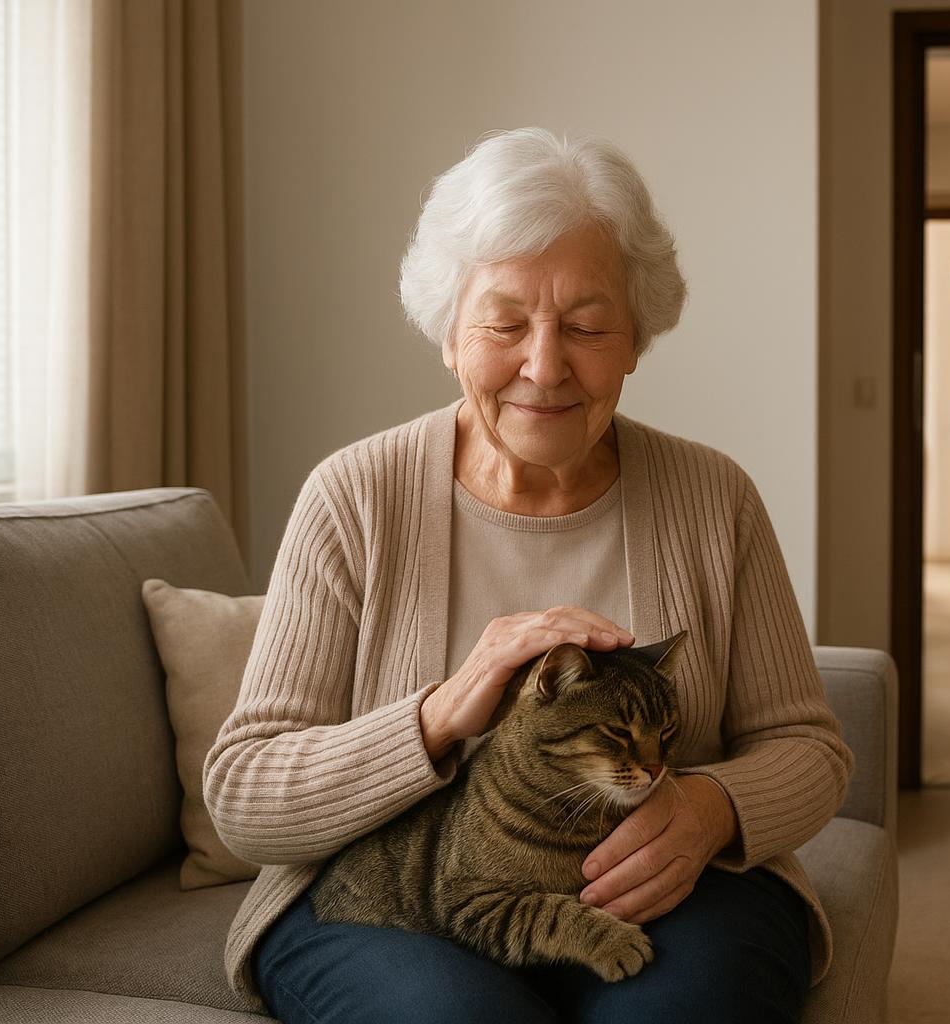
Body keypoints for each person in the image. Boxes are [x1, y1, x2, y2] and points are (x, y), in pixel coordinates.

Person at [203, 128, 852, 1024]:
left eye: (586, 327)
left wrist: (712, 809)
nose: (544, 368)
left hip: (665, 889)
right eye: (505, 324)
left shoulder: (715, 497)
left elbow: (811, 748)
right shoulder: (353, 496)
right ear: (449, 335)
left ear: (635, 340)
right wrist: (436, 717)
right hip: (393, 909)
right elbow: (243, 795)